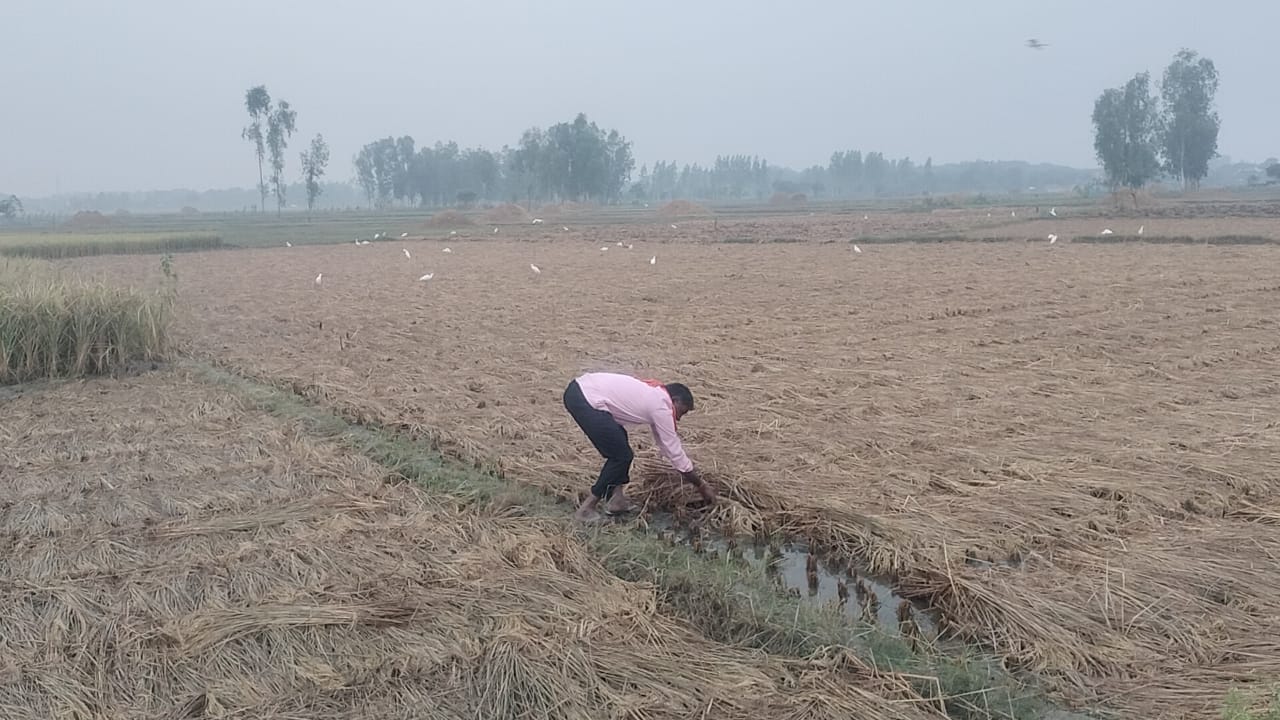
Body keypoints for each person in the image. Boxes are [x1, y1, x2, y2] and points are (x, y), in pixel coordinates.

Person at [562, 371, 717, 522]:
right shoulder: (662, 405)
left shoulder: (655, 394)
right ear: (675, 400)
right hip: (585, 397)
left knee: (621, 444)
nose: (680, 418)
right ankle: (587, 508)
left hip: (581, 389)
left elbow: (664, 443)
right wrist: (701, 485)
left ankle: (617, 500)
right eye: (682, 412)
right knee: (621, 457)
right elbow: (673, 451)